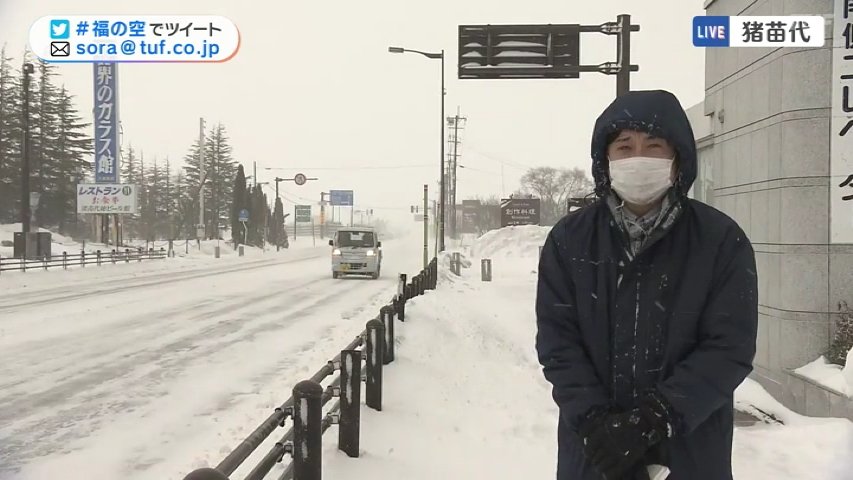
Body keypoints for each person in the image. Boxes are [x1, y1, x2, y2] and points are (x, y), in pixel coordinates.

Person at [535, 90, 758, 480]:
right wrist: (597, 425)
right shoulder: (569, 240)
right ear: (606, 159)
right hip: (594, 456)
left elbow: (729, 348)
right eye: (625, 146)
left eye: (654, 145)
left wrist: (654, 419)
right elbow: (558, 344)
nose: (638, 158)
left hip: (690, 454)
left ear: (678, 159)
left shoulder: (721, 240)